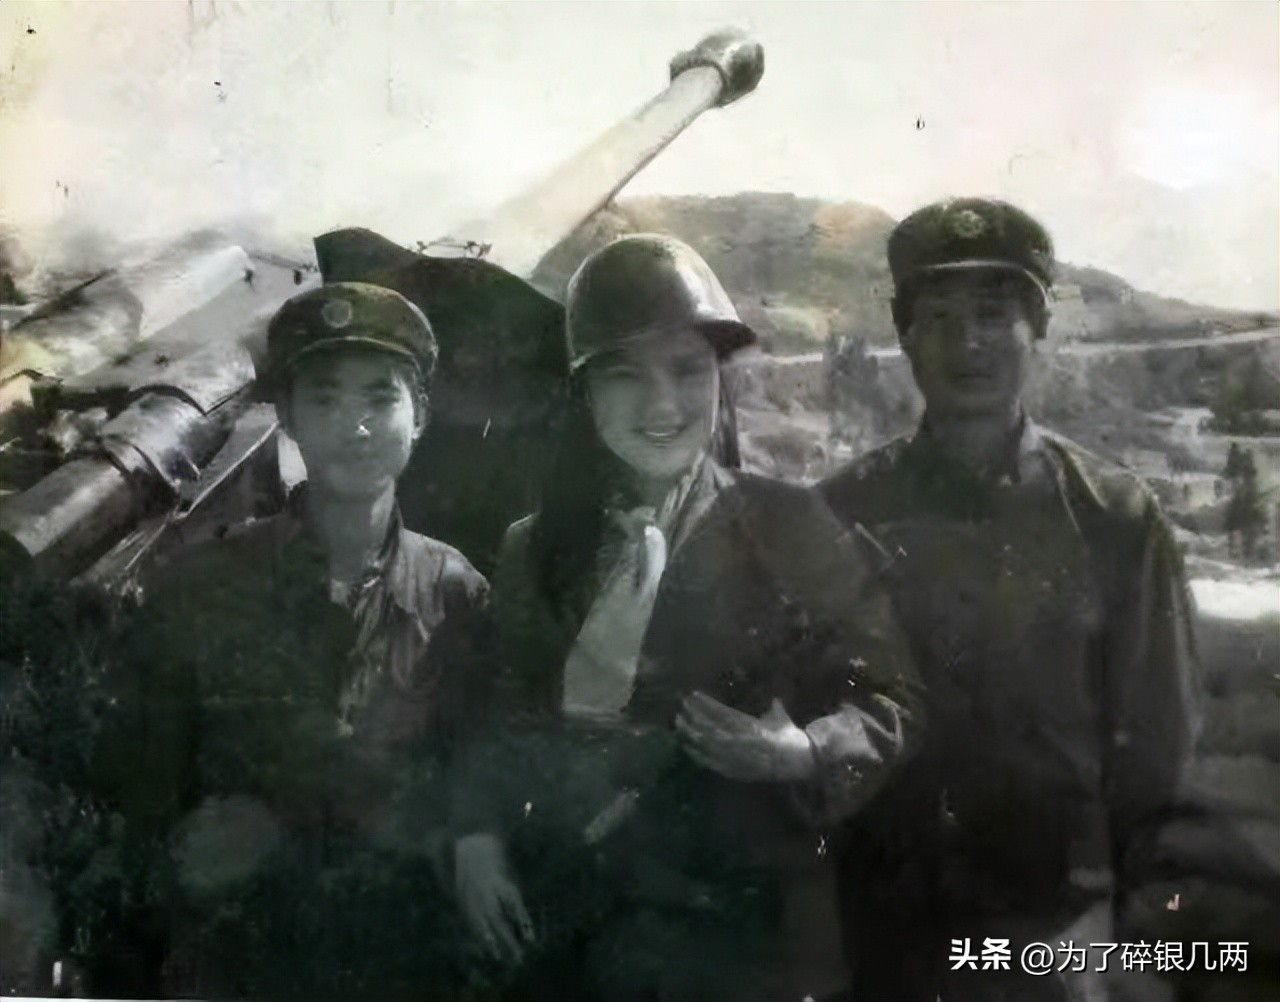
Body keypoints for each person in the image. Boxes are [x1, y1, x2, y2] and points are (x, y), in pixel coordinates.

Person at [451, 234, 922, 1002]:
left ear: (719, 380)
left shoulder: (792, 527)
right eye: (624, 376)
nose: (662, 406)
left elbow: (891, 702)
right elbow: (495, 715)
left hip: (743, 942)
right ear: (584, 392)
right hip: (574, 937)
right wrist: (475, 836)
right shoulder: (533, 549)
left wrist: (803, 750)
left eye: (687, 371)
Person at [818, 198, 1202, 1001]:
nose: (968, 343)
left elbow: (1157, 746)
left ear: (1037, 329)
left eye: (995, 315)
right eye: (939, 318)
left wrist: (1122, 928)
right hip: (880, 940)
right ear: (904, 335)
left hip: (1053, 943)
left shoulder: (1114, 516)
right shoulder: (839, 513)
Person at [95, 282, 490, 1000]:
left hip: (393, 956)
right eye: (325, 400)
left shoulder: (455, 594)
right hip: (237, 957)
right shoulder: (200, 589)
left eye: (380, 398)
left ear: (420, 417)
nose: (355, 427)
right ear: (288, 419)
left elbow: (471, 779)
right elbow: (142, 799)